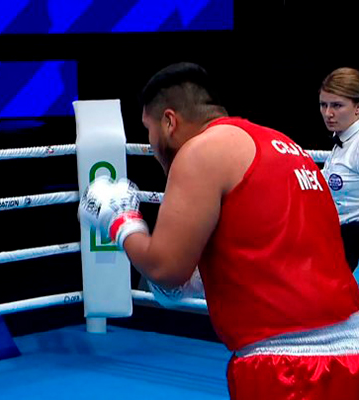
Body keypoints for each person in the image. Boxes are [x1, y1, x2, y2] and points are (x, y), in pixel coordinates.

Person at [79, 62, 359, 399]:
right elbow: (275, 251)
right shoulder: (282, 145)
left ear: (169, 122)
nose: (151, 145)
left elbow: (166, 269)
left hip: (288, 366)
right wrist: (200, 275)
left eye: (148, 130)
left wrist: (120, 220)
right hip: (349, 352)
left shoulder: (201, 151)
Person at [319, 67, 359, 274]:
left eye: (337, 105)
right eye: (323, 105)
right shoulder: (342, 140)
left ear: (357, 107)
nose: (328, 113)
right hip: (339, 242)